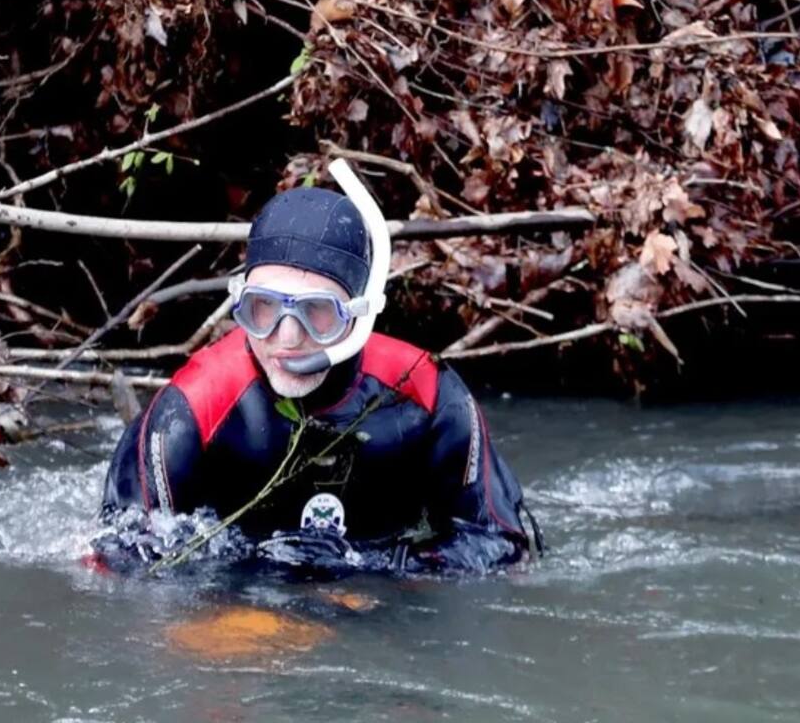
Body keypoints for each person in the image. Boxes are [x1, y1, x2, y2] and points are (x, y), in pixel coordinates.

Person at [101, 181, 538, 572]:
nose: (287, 338)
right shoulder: (193, 408)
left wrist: (376, 567)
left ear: (360, 313)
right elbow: (120, 560)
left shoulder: (428, 394)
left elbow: (507, 548)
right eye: (264, 308)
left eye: (317, 311)